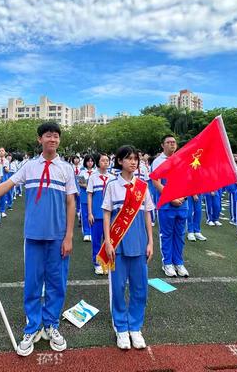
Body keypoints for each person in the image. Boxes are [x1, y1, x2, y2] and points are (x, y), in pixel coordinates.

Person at [0, 122, 77, 357]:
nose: (52, 139)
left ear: (59, 141)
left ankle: (51, 324)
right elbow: (3, 187)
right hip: (33, 235)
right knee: (32, 283)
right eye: (47, 136)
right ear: (39, 140)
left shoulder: (66, 169)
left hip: (57, 237)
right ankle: (33, 327)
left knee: (57, 283)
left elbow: (71, 202)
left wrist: (69, 236)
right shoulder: (29, 167)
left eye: (56, 136)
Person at [102, 145, 154, 350]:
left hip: (140, 244)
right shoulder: (112, 186)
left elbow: (148, 214)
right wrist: (107, 240)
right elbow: (106, 213)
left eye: (136, 159)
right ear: (120, 161)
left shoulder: (143, 186)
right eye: (128, 158)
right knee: (118, 287)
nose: (133, 162)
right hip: (118, 245)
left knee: (140, 288)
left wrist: (150, 241)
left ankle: (135, 327)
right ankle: (121, 328)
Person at [151, 135, 190, 278]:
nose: (172, 145)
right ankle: (167, 263)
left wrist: (183, 197)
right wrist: (171, 197)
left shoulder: (181, 159)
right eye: (168, 142)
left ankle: (178, 262)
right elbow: (156, 182)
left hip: (182, 203)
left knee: (180, 235)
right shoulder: (158, 162)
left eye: (174, 142)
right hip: (167, 204)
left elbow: (187, 181)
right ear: (162, 145)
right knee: (166, 234)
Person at [87, 153, 114, 274]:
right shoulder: (93, 177)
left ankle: (107, 261)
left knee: (108, 240)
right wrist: (89, 213)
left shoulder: (113, 178)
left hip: (110, 215)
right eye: (103, 160)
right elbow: (89, 195)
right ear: (98, 162)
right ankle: (97, 263)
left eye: (107, 160)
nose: (106, 162)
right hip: (97, 215)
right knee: (97, 240)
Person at [79, 155, 95, 242]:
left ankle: (92, 232)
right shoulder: (82, 172)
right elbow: (81, 183)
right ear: (85, 162)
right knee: (85, 214)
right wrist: (89, 187)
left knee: (93, 214)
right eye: (88, 161)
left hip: (94, 196)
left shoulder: (96, 172)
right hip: (85, 196)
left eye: (92, 161)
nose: (90, 163)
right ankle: (86, 233)